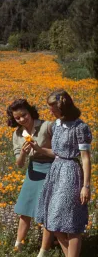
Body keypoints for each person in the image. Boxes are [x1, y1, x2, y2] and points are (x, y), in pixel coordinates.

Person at [31, 89, 92, 257]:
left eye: (53, 107)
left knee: (71, 221)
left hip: (71, 173)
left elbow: (86, 158)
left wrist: (86, 186)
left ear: (63, 107)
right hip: (55, 172)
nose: (50, 111)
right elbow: (56, 153)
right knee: (51, 219)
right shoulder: (56, 125)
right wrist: (38, 149)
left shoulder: (80, 128)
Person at [7, 99, 54, 256]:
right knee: (24, 209)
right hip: (33, 171)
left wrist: (39, 149)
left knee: (47, 211)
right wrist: (23, 153)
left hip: (51, 170)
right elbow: (19, 164)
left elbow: (61, 152)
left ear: (30, 112)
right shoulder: (17, 134)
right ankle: (17, 246)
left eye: (24, 115)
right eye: (17, 118)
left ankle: (44, 251)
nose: (22, 119)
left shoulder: (47, 126)